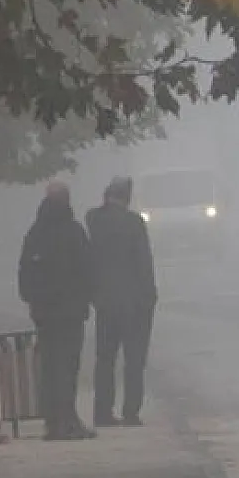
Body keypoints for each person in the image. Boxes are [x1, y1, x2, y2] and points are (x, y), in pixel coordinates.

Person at [18, 181, 95, 440]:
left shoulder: (35, 233)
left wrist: (33, 300)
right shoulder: (74, 232)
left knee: (50, 366)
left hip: (44, 313)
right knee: (68, 366)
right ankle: (67, 420)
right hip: (70, 312)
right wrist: (86, 299)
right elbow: (87, 269)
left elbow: (24, 274)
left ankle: (53, 422)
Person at [86, 176, 158, 427]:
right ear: (127, 197)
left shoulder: (94, 220)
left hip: (105, 301)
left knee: (105, 358)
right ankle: (130, 411)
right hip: (134, 301)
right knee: (134, 359)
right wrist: (149, 297)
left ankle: (102, 411)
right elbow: (143, 264)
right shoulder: (133, 223)